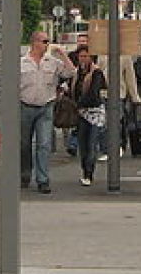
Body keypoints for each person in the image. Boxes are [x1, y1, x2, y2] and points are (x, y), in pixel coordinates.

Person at [19, 31, 74, 193]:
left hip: (45, 106)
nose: (47, 44)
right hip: (25, 105)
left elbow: (71, 72)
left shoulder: (53, 62)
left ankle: (43, 179)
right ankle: (25, 173)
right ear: (35, 43)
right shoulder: (21, 62)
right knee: (24, 144)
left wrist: (63, 54)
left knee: (44, 144)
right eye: (45, 41)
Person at [72, 46, 107, 186]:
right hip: (81, 113)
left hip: (94, 112)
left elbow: (94, 93)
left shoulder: (96, 73)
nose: (83, 59)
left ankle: (89, 173)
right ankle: (84, 171)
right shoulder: (76, 73)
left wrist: (79, 103)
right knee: (83, 145)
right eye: (81, 56)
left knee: (92, 144)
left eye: (86, 56)